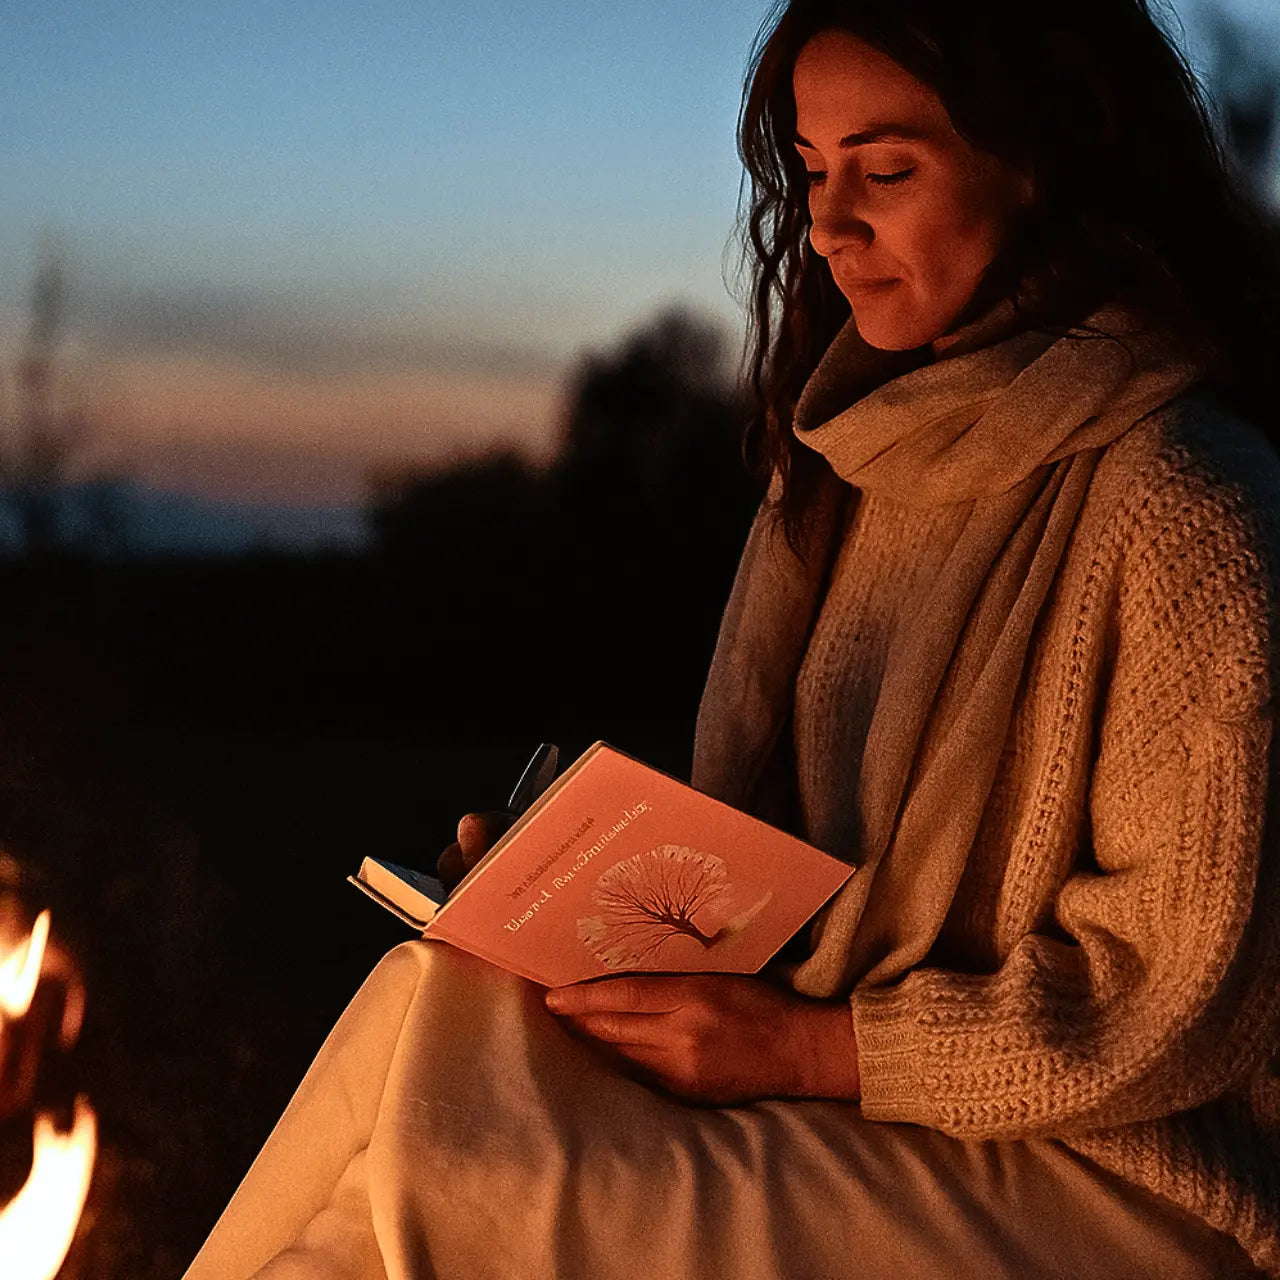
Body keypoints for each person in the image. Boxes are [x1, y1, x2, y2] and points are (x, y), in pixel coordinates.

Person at [184, 1, 1280, 1276]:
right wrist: (561, 903)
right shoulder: (841, 471)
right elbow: (784, 867)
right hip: (840, 1072)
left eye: (886, 169)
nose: (826, 226)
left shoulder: (1190, 506)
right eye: (812, 173)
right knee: (436, 1011)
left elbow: (1184, 999)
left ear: (1045, 162)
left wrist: (809, 1050)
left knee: (456, 1174)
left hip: (1125, 1168)